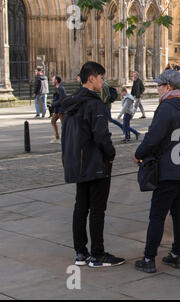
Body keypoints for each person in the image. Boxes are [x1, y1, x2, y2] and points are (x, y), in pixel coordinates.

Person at [61, 61, 125, 268]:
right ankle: (97, 254)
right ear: (92, 78)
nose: (102, 82)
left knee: (81, 207)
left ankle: (80, 253)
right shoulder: (93, 103)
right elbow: (100, 135)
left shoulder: (71, 102)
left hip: (78, 163)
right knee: (97, 209)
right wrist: (111, 153)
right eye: (101, 78)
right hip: (96, 163)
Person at [133, 69, 180, 274]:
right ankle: (176, 255)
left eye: (160, 85)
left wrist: (138, 153)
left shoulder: (166, 107)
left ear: (168, 87)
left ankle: (148, 258)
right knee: (179, 213)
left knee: (157, 216)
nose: (158, 89)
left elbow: (154, 137)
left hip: (168, 170)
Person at [50, 75, 67, 143]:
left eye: (53, 79)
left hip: (61, 109)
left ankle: (65, 139)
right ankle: (57, 137)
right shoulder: (56, 88)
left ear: (56, 81)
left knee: (64, 125)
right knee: (53, 121)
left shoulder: (61, 89)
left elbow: (62, 99)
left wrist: (53, 104)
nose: (52, 81)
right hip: (57, 109)